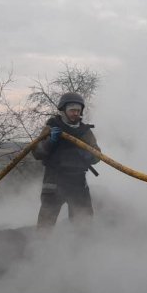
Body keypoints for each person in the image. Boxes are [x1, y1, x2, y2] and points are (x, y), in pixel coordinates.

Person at [32, 92, 100, 231]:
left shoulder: (85, 131)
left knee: (84, 223)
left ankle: (81, 250)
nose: (75, 113)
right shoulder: (51, 127)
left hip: (78, 182)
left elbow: (97, 156)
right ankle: (40, 248)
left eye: (78, 110)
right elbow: (37, 152)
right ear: (63, 110)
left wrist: (88, 154)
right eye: (72, 110)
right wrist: (50, 142)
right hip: (54, 180)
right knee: (46, 223)